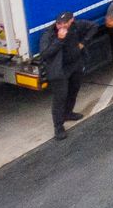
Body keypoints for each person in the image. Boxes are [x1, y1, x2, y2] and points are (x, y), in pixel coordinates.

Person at [36, 11, 89, 141]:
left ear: (71, 21)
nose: (62, 26)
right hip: (59, 71)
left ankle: (68, 113)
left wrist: (83, 42)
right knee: (60, 97)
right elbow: (45, 54)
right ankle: (58, 127)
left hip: (75, 66)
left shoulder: (75, 27)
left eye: (65, 23)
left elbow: (92, 27)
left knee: (73, 90)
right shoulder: (48, 35)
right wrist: (59, 40)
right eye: (59, 23)